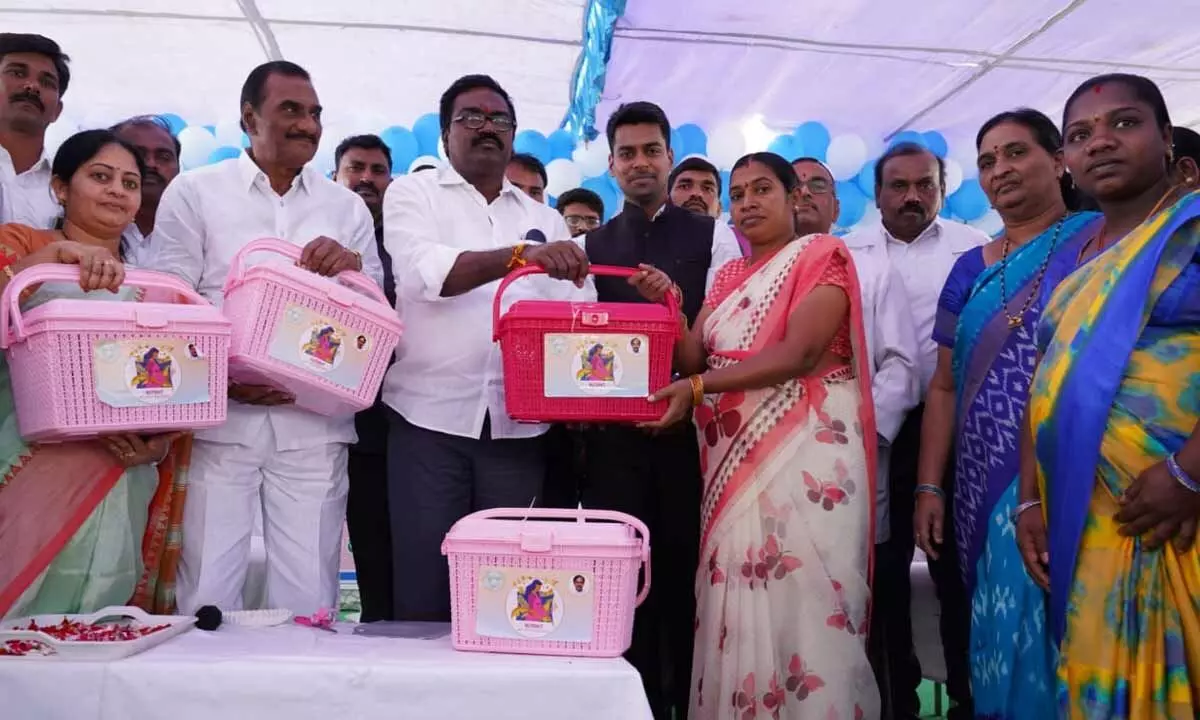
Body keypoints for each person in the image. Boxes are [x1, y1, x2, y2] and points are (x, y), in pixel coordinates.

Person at [644, 151, 879, 719]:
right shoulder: (727, 275)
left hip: (808, 459)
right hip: (733, 465)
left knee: (806, 601)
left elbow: (799, 353)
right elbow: (696, 354)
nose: (748, 202)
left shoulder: (822, 254)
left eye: (761, 190)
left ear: (795, 196)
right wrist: (670, 308)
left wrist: (698, 389)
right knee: (739, 600)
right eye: (739, 192)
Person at [151, 61, 384, 617]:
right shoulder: (195, 192)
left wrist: (351, 270)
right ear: (248, 117)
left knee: (309, 600)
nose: (308, 124)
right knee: (205, 595)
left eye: (315, 113)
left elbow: (375, 312)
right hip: (221, 421)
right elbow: (170, 297)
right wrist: (225, 377)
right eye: (291, 110)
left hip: (314, 427)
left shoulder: (345, 207)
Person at [1017, 73, 1200, 719]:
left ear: (1166, 139)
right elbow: (1046, 382)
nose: (1100, 141)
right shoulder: (1079, 258)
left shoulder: (1192, 228)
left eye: (1124, 123)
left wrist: (1189, 473)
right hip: (1089, 511)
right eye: (1079, 134)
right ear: (1067, 160)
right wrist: (1030, 497)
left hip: (1178, 509)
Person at [382, 74, 595, 622]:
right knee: (426, 590)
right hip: (428, 423)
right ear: (446, 132)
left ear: (514, 134)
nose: (486, 128)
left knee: (506, 593)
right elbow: (427, 275)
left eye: (499, 120)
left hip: (518, 430)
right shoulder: (413, 194)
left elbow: (575, 316)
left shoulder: (545, 218)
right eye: (471, 117)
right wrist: (521, 257)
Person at [912, 108, 1097, 719]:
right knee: (999, 623)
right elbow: (943, 386)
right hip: (982, 479)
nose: (1000, 170)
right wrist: (929, 484)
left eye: (1016, 153)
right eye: (988, 160)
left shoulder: (1102, 241)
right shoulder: (971, 268)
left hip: (1079, 472)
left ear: (1059, 158)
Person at [579, 101, 742, 720]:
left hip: (694, 434)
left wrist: (690, 389)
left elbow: (728, 337)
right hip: (612, 442)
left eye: (651, 150)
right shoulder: (591, 244)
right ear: (612, 164)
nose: (639, 162)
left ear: (669, 158)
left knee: (685, 578)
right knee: (622, 584)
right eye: (627, 153)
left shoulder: (714, 237)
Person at [0, 129, 191, 619]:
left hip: (121, 473)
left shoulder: (155, 283)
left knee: (96, 619)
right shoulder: (21, 243)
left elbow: (179, 383)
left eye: (129, 183)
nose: (117, 191)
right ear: (61, 188)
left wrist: (161, 444)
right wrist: (48, 262)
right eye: (100, 177)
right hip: (27, 465)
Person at [842, 141, 987, 720]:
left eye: (924, 185)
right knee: (881, 574)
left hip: (954, 434)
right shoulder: (846, 254)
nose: (911, 196)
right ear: (877, 194)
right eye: (898, 186)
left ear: (942, 190)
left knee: (953, 568)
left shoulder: (973, 250)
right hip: (871, 432)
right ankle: (894, 698)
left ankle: (965, 695)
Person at [792, 156, 920, 716]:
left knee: (859, 604)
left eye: (817, 186)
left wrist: (854, 432)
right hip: (768, 474)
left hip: (850, 464)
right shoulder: (741, 272)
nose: (803, 196)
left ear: (837, 206)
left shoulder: (866, 266)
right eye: (790, 186)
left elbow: (902, 365)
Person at [332, 133, 395, 623]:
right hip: (351, 427)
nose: (367, 179)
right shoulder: (319, 238)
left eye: (377, 171)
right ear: (336, 176)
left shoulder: (406, 243)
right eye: (357, 168)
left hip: (414, 423)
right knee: (370, 548)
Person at [0, 33, 69, 228]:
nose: (32, 86)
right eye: (17, 73)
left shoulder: (68, 190)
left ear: (57, 111)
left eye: (47, 83)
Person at [110, 115, 181, 267]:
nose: (151, 164)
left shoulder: (194, 230)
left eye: (164, 157)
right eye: (138, 155)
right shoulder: (81, 231)